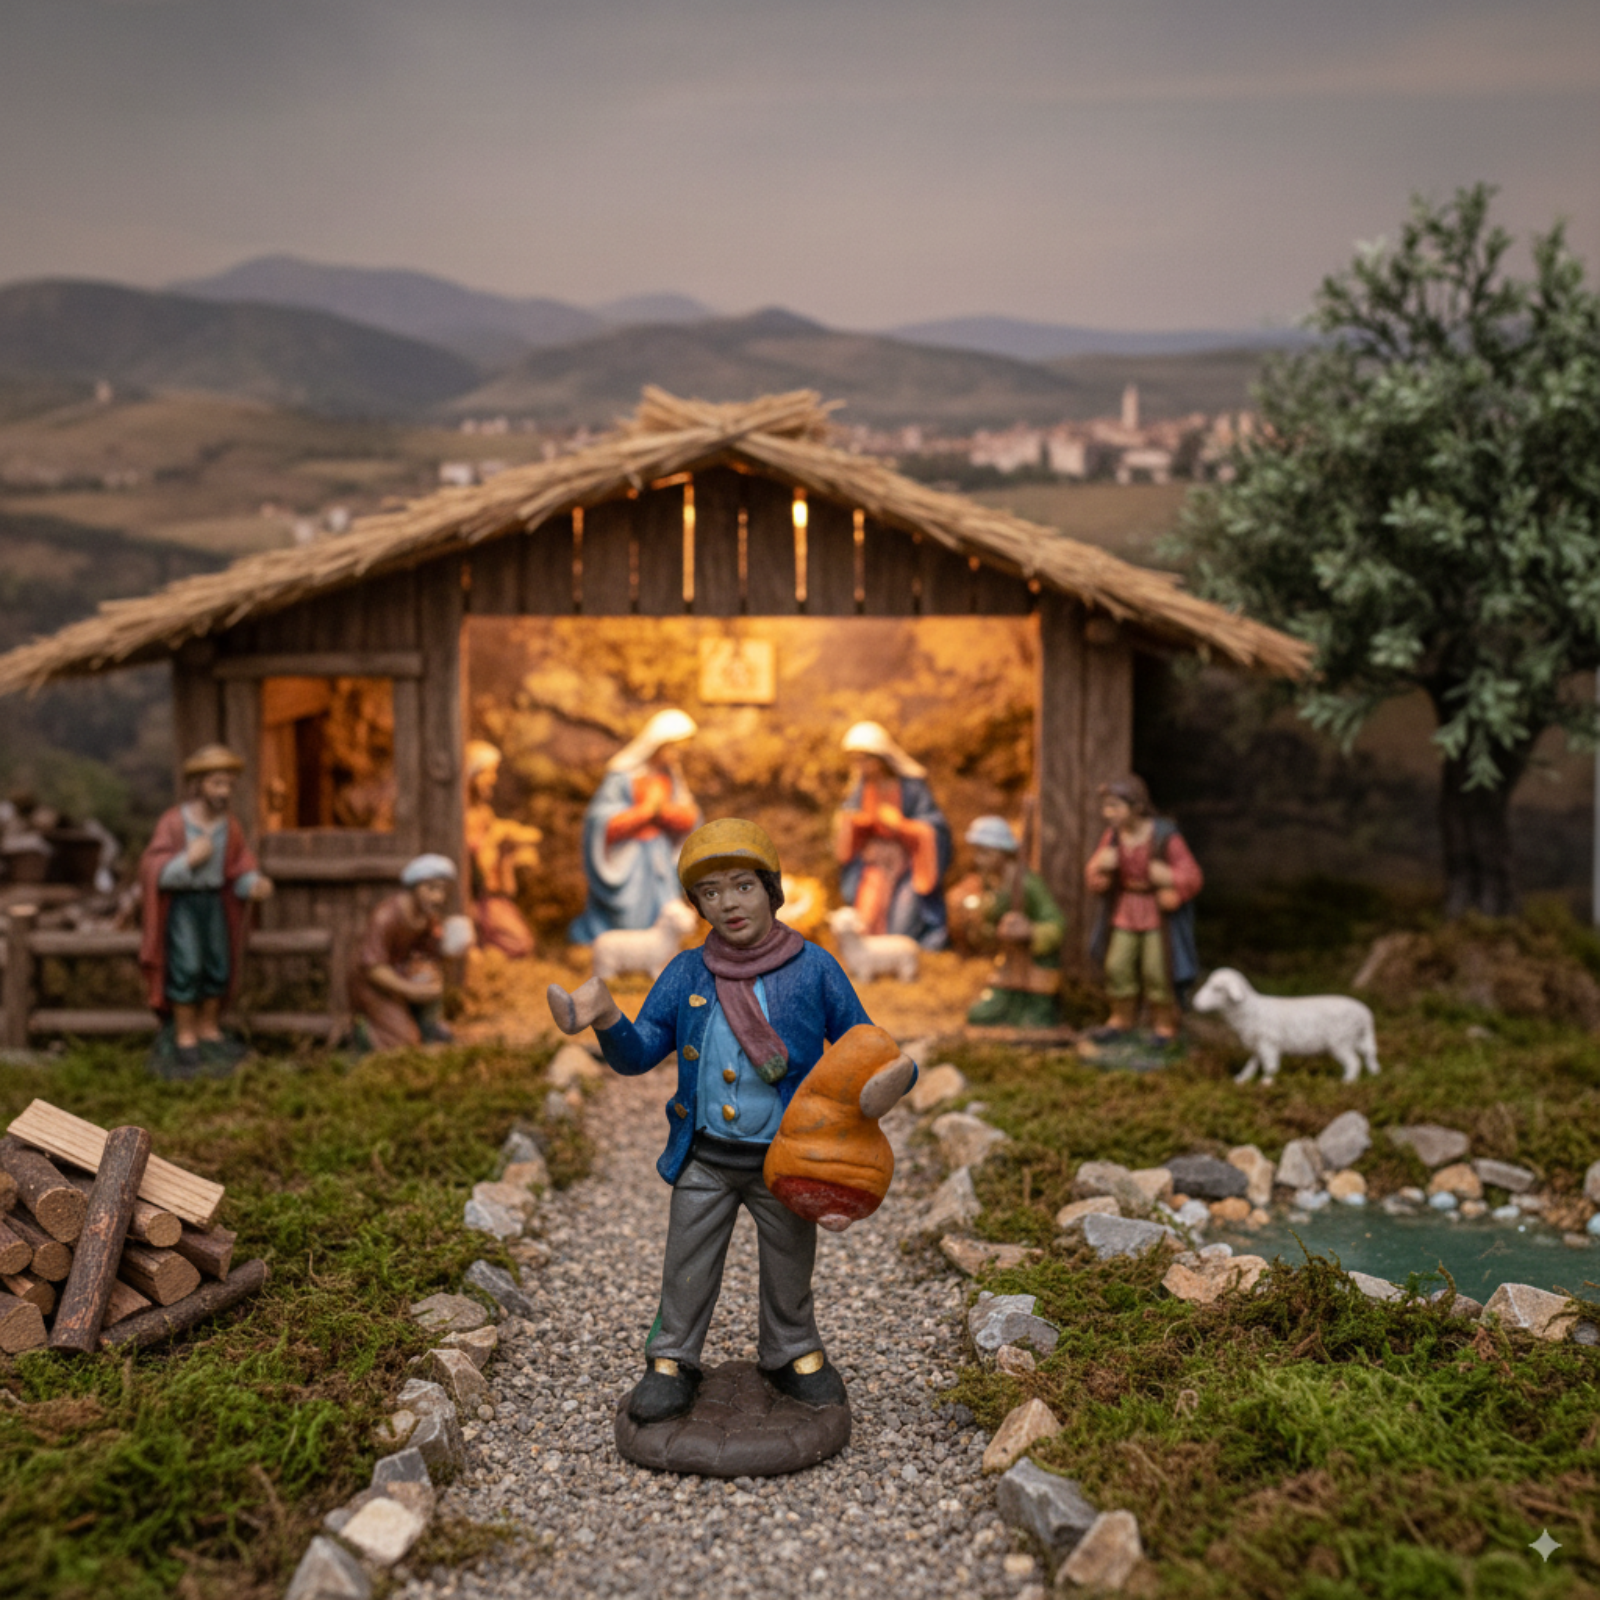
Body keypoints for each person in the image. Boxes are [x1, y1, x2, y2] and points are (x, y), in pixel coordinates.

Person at [547, 818, 915, 1426]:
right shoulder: (686, 973)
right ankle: (671, 1359)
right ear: (697, 906)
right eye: (710, 892)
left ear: (771, 890)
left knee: (790, 1264)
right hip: (707, 1157)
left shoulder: (814, 968)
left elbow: (867, 1045)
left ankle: (792, 1351)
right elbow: (640, 1055)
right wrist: (606, 1015)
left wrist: (894, 1081)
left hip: (785, 1157)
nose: (728, 904)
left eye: (743, 886)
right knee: (686, 1264)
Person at [138, 745, 273, 1074]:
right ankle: (185, 1035)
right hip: (184, 905)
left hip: (215, 903)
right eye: (217, 783)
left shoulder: (230, 826)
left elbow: (239, 867)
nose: (223, 792)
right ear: (199, 785)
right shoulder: (175, 823)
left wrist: (252, 883)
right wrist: (187, 860)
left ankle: (208, 1028)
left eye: (228, 785)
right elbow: (153, 868)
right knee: (187, 966)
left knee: (218, 965)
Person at [1084, 775, 1203, 1041]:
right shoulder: (1113, 837)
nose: (1108, 813)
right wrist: (1100, 871)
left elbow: (1192, 876)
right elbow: (1094, 875)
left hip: (1155, 914)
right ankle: (1121, 1019)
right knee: (1117, 964)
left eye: (1115, 806)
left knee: (1157, 969)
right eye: (1106, 806)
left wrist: (1171, 881)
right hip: (1125, 910)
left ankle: (1164, 1025)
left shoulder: (1163, 837)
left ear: (1136, 807)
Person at [568, 709, 701, 945]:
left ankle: (657, 951)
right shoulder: (623, 777)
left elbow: (688, 815)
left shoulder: (669, 776)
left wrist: (668, 813)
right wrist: (644, 813)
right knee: (630, 918)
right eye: (673, 749)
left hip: (659, 856)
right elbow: (601, 820)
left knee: (664, 910)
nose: (676, 756)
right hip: (630, 857)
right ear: (657, 745)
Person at [833, 721, 950, 950]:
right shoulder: (861, 787)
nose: (860, 766)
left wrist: (901, 825)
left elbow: (934, 828)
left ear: (881, 758)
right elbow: (848, 819)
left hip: (906, 865)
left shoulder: (911, 788)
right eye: (856, 761)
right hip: (873, 864)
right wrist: (856, 823)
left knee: (901, 929)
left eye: (865, 760)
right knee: (865, 921)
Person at [350, 853, 474, 1052]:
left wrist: (452, 946)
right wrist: (410, 990)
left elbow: (430, 953)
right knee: (404, 1042)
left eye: (442, 890)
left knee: (429, 979)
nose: (438, 897)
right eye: (431, 889)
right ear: (415, 887)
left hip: (401, 974)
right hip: (376, 986)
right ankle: (364, 1034)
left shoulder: (426, 917)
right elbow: (373, 968)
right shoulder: (386, 917)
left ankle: (428, 1028)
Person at [960, 815, 1066, 1029]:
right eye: (977, 852)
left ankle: (1035, 1009)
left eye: (985, 853)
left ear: (1003, 853)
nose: (978, 860)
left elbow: (1056, 924)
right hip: (1009, 964)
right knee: (979, 1015)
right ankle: (1007, 1003)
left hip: (1035, 964)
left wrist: (1030, 931)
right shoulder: (992, 881)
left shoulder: (1026, 883)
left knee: (1034, 1021)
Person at [463, 741, 540, 958]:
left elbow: (495, 830)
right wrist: (493, 841)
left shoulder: (483, 812)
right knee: (517, 942)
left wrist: (510, 840)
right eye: (488, 772)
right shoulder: (463, 816)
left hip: (491, 892)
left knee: (522, 942)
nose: (493, 779)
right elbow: (477, 851)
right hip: (472, 894)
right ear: (472, 775)